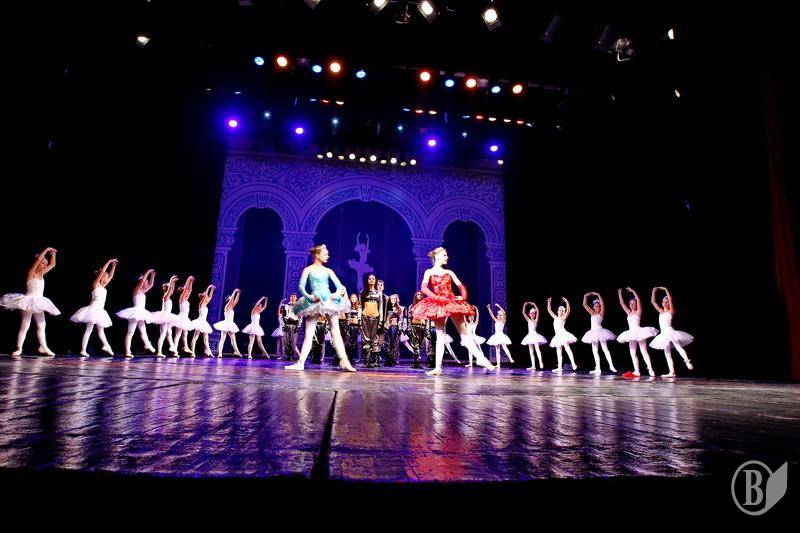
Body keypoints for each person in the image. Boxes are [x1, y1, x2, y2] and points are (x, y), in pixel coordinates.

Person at [411, 247, 495, 375]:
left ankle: (480, 358)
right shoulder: (429, 272)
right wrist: (436, 297)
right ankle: (437, 367)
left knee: (464, 333)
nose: (447, 257)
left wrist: (463, 297)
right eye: (444, 255)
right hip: (438, 304)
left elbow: (461, 286)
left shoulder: (449, 272)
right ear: (437, 257)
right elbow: (424, 288)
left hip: (451, 302)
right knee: (440, 336)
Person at [285, 245, 356, 372]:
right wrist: (310, 297)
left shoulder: (328, 271)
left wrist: (334, 295)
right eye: (324, 254)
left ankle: (344, 361)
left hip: (328, 301)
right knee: (309, 334)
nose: (327, 256)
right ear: (317, 255)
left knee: (336, 332)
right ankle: (300, 363)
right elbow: (301, 287)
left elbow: (339, 286)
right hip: (314, 301)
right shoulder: (308, 270)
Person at [2, 247, 60, 356]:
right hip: (28, 301)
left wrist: (53, 253)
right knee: (25, 324)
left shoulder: (42, 274)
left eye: (46, 265)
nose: (45, 266)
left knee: (42, 325)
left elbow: (53, 265)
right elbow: (38, 260)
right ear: (38, 263)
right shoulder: (31, 273)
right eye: (43, 264)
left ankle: (43, 346)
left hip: (39, 301)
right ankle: (19, 348)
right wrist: (46, 249)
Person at [70, 258, 117, 357]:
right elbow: (103, 271)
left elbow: (111, 276)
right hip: (93, 310)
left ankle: (107, 346)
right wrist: (109, 262)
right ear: (101, 277)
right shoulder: (96, 284)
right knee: (89, 330)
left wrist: (113, 266)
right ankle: (83, 350)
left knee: (101, 330)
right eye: (106, 277)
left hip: (100, 311)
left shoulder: (103, 286)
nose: (107, 279)